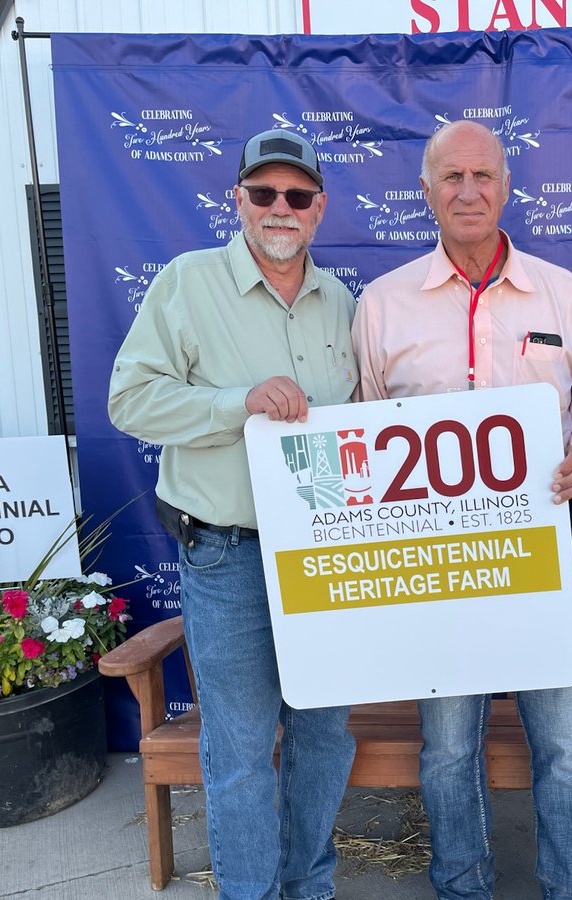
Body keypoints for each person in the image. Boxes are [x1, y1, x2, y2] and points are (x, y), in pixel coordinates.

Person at [351, 120, 572, 900]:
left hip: (546, 549)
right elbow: (364, 424)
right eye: (452, 177)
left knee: (565, 743)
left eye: (484, 176)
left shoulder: (559, 293)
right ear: (427, 190)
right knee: (446, 748)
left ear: (506, 187)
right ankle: (461, 887)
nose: (469, 191)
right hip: (437, 565)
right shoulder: (384, 304)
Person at [107, 129, 357, 900]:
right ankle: (250, 892)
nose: (280, 209)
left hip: (324, 552)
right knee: (243, 747)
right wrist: (235, 404)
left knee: (322, 734)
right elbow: (129, 399)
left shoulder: (341, 301)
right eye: (263, 193)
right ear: (238, 200)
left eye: (297, 196)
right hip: (228, 555)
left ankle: (308, 884)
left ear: (320, 207)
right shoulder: (187, 282)